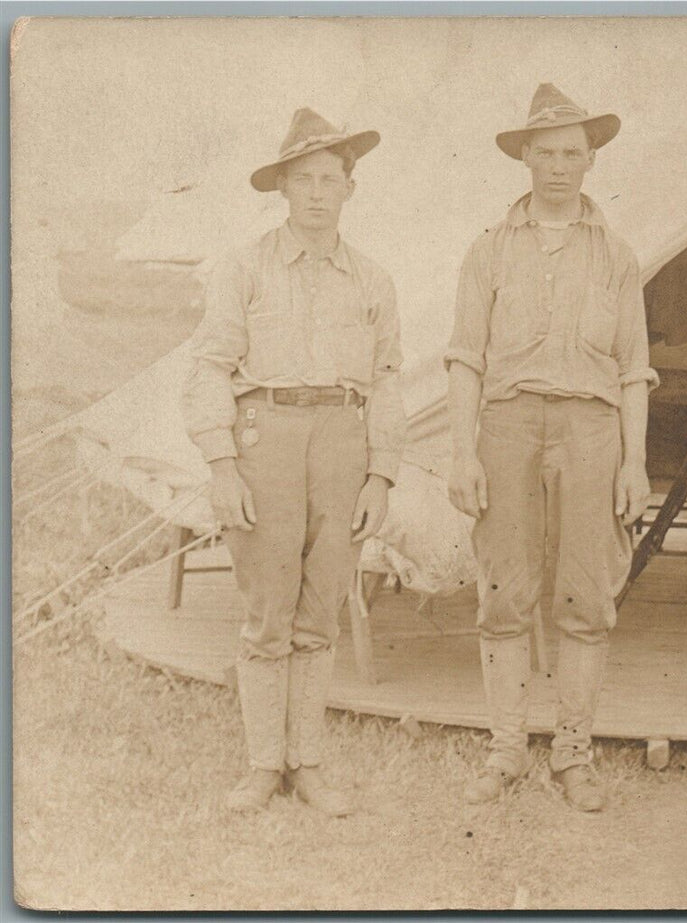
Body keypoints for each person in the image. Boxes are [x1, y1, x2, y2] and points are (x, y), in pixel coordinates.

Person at [182, 108, 405, 815]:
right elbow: (211, 365)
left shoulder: (371, 279)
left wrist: (381, 472)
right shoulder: (242, 268)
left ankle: (308, 761)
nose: (316, 192)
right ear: (282, 187)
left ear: (349, 189)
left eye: (330, 179)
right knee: (266, 608)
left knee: (322, 609)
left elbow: (390, 376)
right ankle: (261, 764)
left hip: (342, 439)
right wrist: (222, 463)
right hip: (265, 436)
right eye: (303, 179)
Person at [444, 84, 656, 813]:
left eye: (572, 154)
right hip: (505, 427)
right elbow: (465, 358)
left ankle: (572, 750)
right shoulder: (488, 250)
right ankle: (506, 749)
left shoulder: (618, 256)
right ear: (524, 159)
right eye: (545, 154)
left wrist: (633, 460)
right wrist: (461, 452)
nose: (559, 167)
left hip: (591, 431)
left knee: (586, 594)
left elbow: (633, 368)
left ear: (591, 160)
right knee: (504, 589)